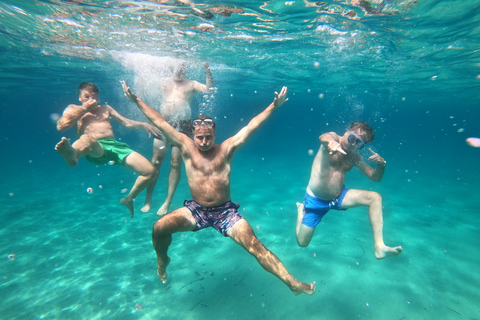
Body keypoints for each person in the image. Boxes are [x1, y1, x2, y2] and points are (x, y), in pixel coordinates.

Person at [122, 81, 316, 295]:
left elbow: (251, 126)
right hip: (196, 210)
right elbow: (159, 121)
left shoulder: (227, 148)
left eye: (208, 137)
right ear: (192, 136)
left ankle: (291, 282)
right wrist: (136, 100)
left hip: (225, 213)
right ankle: (162, 260)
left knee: (255, 245)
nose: (204, 142)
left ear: (215, 135)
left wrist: (273, 105)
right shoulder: (186, 146)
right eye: (200, 137)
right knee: (159, 228)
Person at [295, 122, 402, 260]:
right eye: (353, 139)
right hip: (316, 199)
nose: (354, 144)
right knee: (302, 243)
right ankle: (300, 210)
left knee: (375, 197)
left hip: (338, 197)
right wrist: (331, 143)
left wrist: (382, 164)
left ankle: (380, 247)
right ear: (346, 132)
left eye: (359, 144)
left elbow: (375, 177)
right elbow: (324, 137)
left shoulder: (354, 156)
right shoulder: (333, 139)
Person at [55, 82, 161, 218]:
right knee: (87, 138)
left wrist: (143, 124)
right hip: (94, 147)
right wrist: (84, 108)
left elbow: (126, 122)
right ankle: (72, 155)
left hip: (115, 147)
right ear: (80, 97)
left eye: (94, 97)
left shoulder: (105, 108)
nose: (91, 100)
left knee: (149, 172)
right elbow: (60, 126)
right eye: (86, 96)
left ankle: (128, 199)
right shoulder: (74, 109)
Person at [141, 62, 214, 216]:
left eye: (182, 69)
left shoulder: (192, 83)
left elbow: (209, 90)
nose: (179, 71)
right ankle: (148, 198)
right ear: (169, 68)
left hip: (182, 126)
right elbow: (146, 92)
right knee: (155, 161)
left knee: (175, 163)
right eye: (175, 68)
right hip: (163, 123)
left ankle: (167, 201)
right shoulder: (162, 82)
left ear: (186, 69)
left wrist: (207, 70)